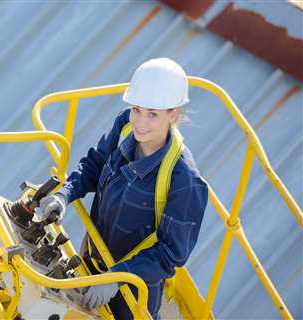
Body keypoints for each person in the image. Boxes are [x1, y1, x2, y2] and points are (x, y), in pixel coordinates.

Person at [39, 58, 209, 319]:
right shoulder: (125, 127)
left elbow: (170, 254)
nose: (140, 122)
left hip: (132, 296)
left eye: (152, 114)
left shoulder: (184, 180)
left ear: (173, 115)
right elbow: (94, 165)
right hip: (90, 261)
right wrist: (64, 194)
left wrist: (116, 278)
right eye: (136, 109)